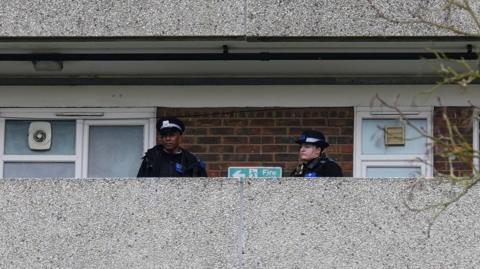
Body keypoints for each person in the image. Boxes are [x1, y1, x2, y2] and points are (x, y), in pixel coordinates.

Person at [137, 116, 207, 177]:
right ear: (161, 138)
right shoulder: (151, 158)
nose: (168, 139)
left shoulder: (191, 161)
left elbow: (203, 187)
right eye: (164, 135)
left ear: (180, 137)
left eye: (172, 135)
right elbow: (139, 185)